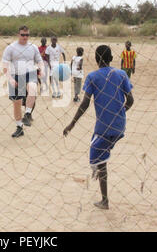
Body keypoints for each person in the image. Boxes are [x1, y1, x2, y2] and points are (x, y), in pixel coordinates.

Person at [63, 45, 134, 210]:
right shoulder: (122, 74)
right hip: (120, 125)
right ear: (111, 58)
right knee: (98, 150)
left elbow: (85, 103)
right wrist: (120, 112)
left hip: (104, 126)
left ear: (96, 59)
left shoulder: (93, 77)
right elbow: (130, 101)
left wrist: (72, 124)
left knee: (99, 159)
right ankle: (97, 169)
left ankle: (104, 200)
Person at [2, 25, 44, 138]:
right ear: (18, 35)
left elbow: (39, 60)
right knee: (17, 104)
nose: (25, 37)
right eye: (23, 35)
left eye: (27, 35)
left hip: (30, 73)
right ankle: (19, 128)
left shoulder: (33, 47)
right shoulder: (10, 48)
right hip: (16, 75)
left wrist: (42, 69)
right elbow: (4, 66)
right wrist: (10, 79)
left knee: (33, 88)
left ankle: (28, 114)